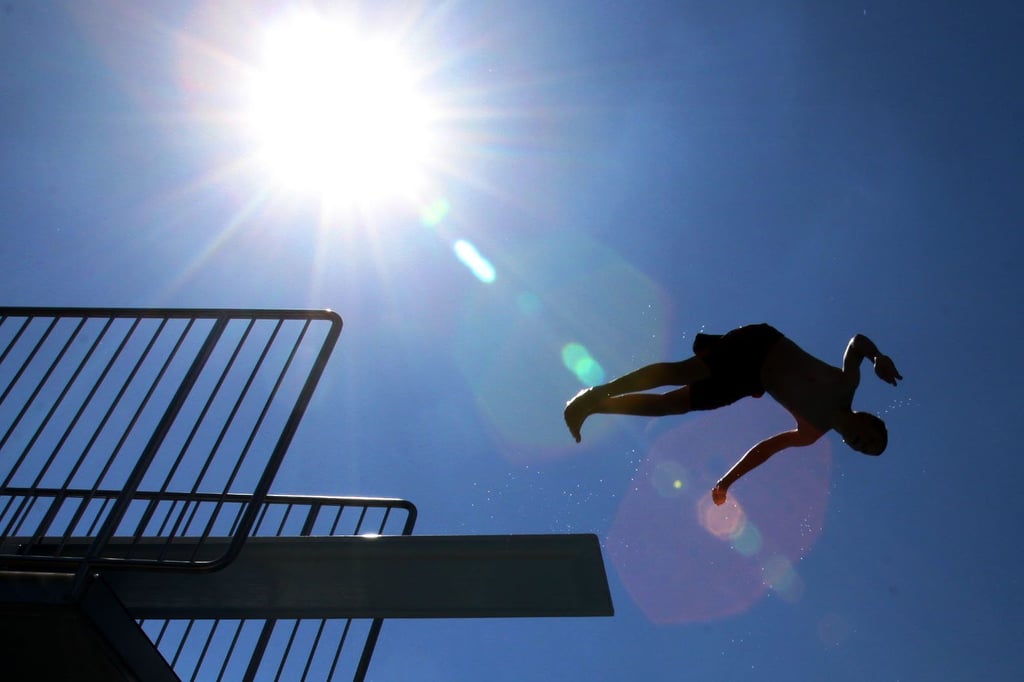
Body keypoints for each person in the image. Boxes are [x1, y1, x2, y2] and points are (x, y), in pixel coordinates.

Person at [563, 323, 902, 505]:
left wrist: (726, 481)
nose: (861, 443)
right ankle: (597, 392)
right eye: (869, 438)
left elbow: (764, 450)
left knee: (672, 405)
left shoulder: (812, 433)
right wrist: (878, 357)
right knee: (685, 372)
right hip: (759, 345)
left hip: (750, 379)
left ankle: (595, 409)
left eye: (863, 449)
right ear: (867, 419)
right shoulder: (847, 384)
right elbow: (856, 342)